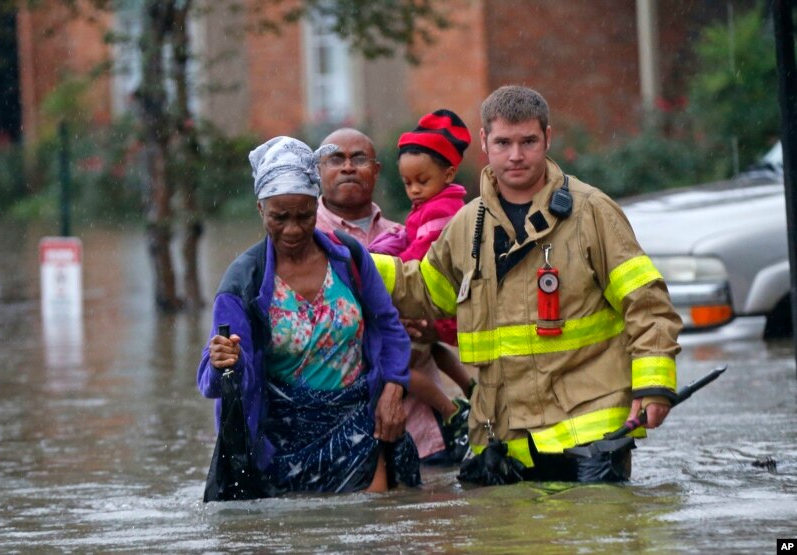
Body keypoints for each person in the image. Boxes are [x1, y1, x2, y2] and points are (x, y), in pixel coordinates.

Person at [370, 86, 682, 483]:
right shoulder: (467, 225)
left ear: (547, 139)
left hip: (591, 439)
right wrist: (354, 262)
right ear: (484, 143)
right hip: (503, 439)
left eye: (528, 142)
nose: (515, 155)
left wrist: (654, 385)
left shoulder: (592, 213)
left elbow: (647, 304)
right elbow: (428, 292)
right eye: (503, 142)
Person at [197, 135, 420, 496]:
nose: (293, 229)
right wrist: (226, 361)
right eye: (279, 217)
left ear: (317, 206)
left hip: (358, 430)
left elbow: (388, 327)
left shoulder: (348, 258)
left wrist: (394, 388)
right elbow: (214, 381)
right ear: (260, 209)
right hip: (279, 447)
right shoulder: (242, 283)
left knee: (375, 528)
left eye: (304, 215)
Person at [315, 127, 475, 465]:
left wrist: (429, 324)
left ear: (376, 170)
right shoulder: (302, 238)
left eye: (358, 158)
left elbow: (462, 302)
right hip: (342, 438)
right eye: (335, 159)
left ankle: (459, 405)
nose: (347, 167)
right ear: (318, 170)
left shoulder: (404, 234)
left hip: (426, 435)